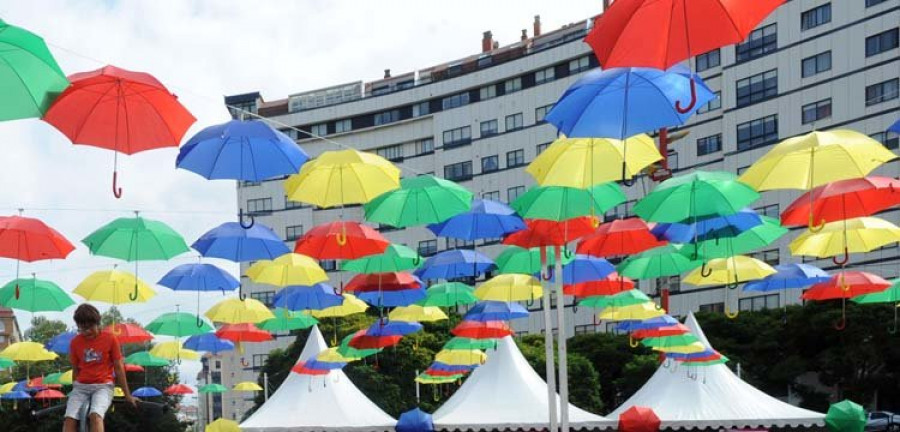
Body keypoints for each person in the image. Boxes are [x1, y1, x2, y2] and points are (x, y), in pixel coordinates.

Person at [64, 304, 137, 432]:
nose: (86, 332)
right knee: (69, 418)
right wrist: (74, 390)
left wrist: (127, 395)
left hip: (103, 386)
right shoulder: (75, 342)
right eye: (82, 328)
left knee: (95, 415)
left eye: (89, 327)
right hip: (81, 386)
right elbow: (75, 370)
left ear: (97, 323)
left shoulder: (110, 339)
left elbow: (119, 368)